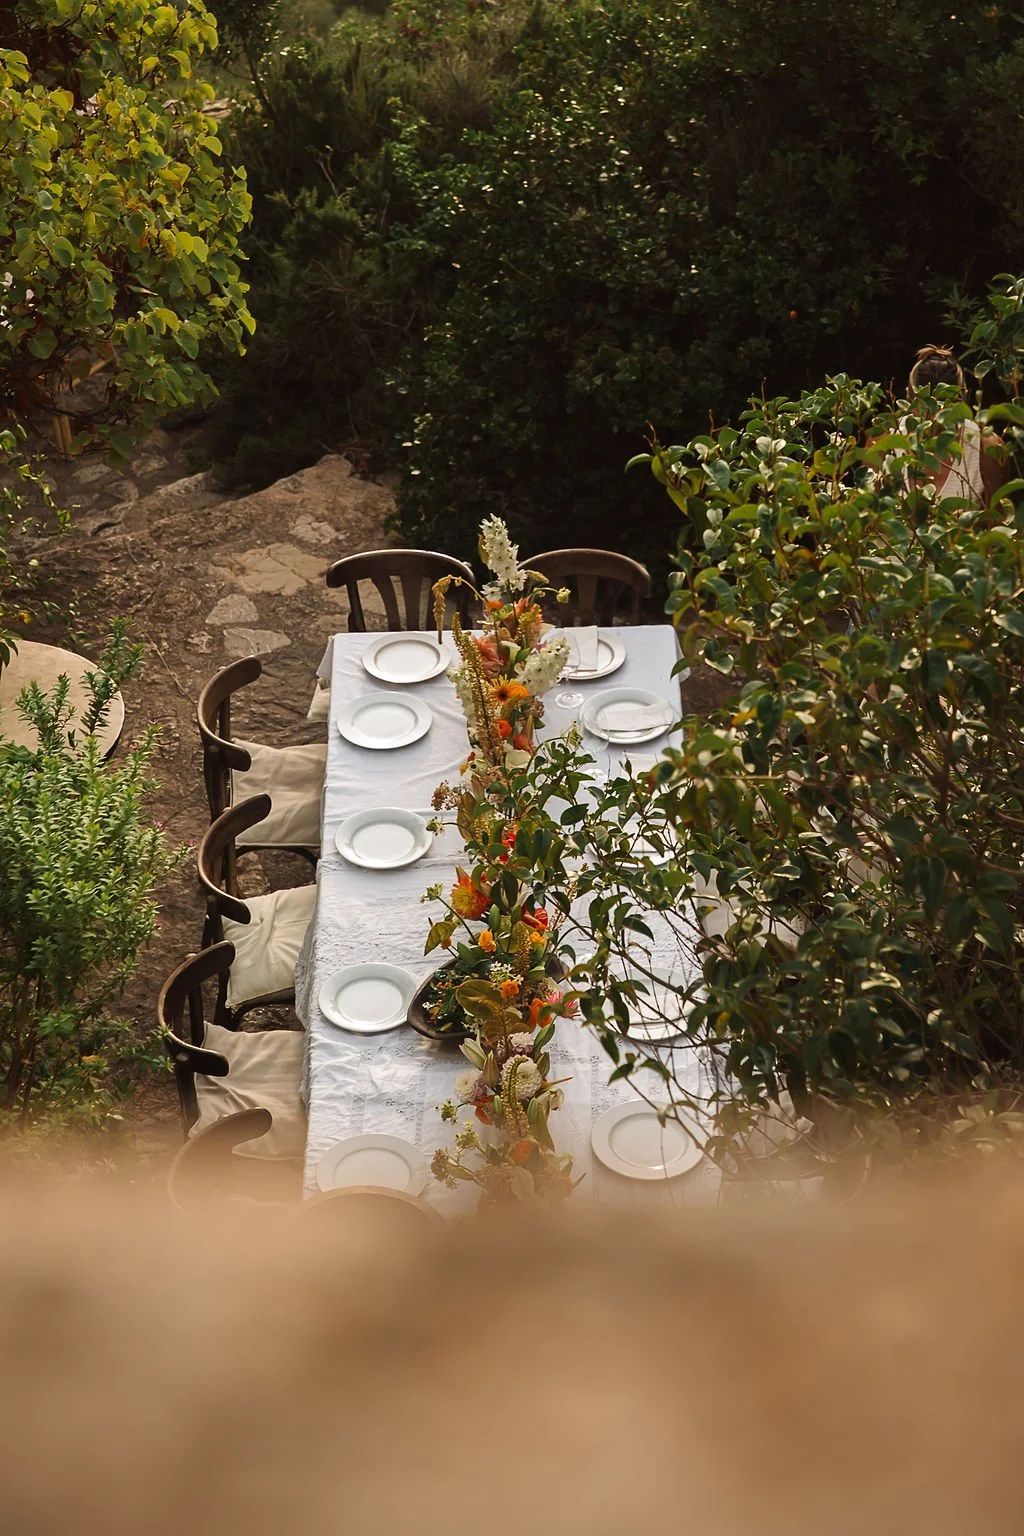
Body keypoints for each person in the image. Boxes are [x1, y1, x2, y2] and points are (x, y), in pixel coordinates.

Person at [904, 343, 1008, 507]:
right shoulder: (885, 444)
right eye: (928, 410)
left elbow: (997, 517)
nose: (936, 419)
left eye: (945, 409)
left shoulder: (985, 447)